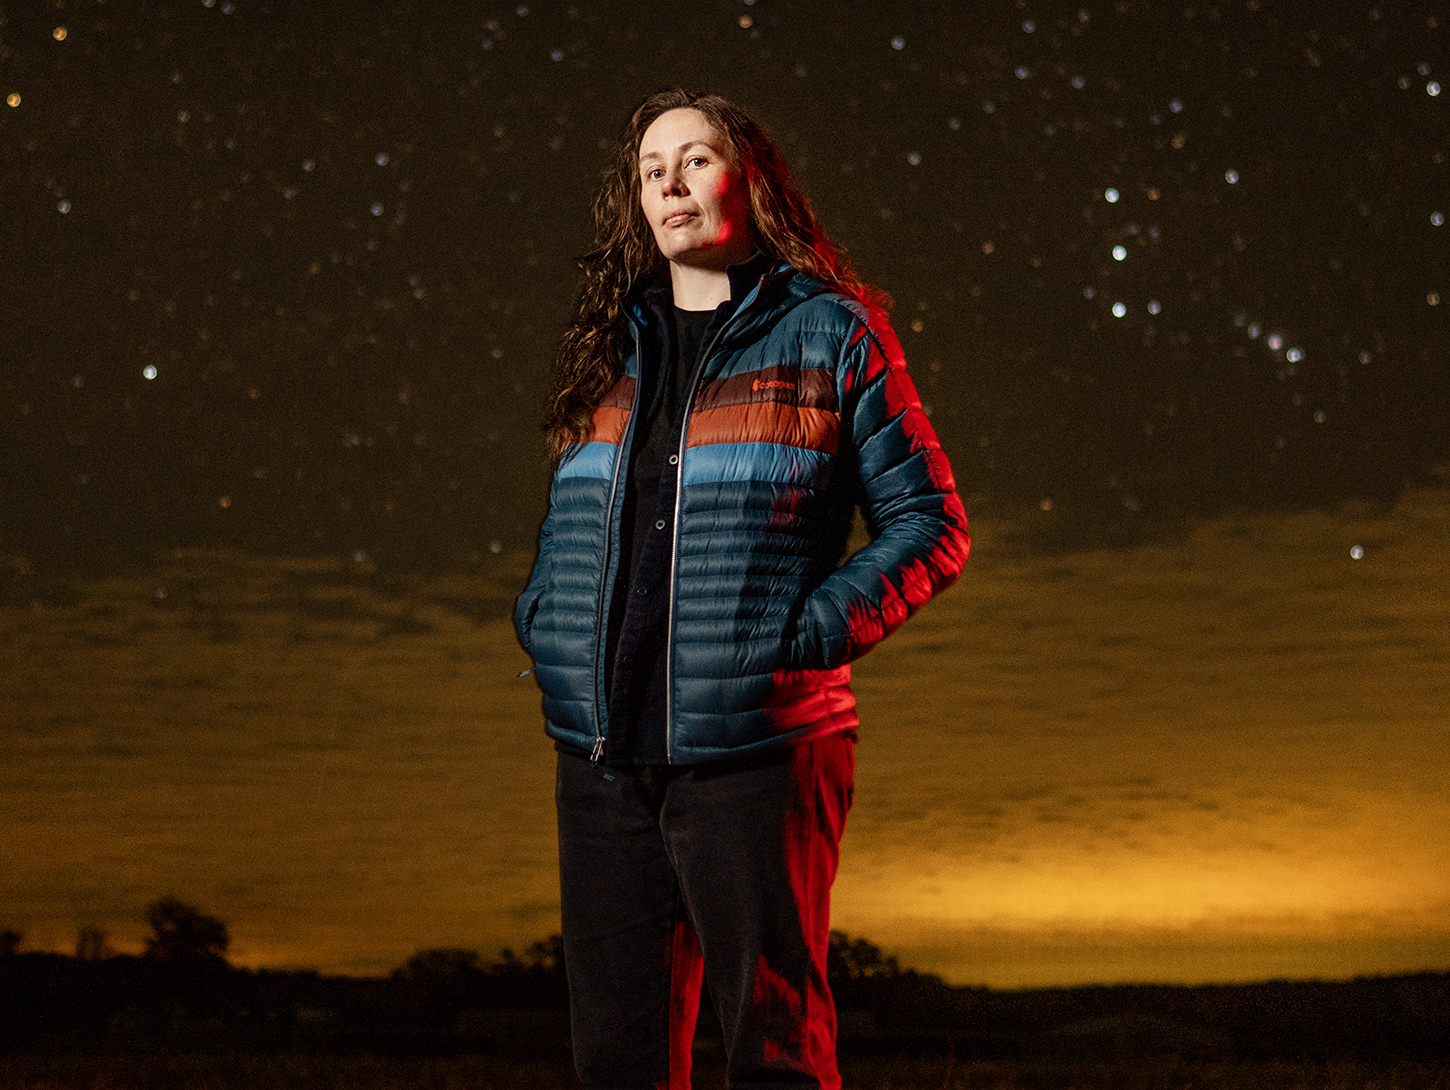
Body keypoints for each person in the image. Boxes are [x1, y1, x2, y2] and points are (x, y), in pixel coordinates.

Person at [514, 88, 970, 1089]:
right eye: (650, 169)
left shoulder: (831, 333)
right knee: (616, 1062)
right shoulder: (609, 351)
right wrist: (541, 622)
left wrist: (800, 636)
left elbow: (931, 524)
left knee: (775, 1050)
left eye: (697, 159)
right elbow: (570, 526)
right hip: (599, 762)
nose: (671, 183)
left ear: (749, 180)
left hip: (758, 757)